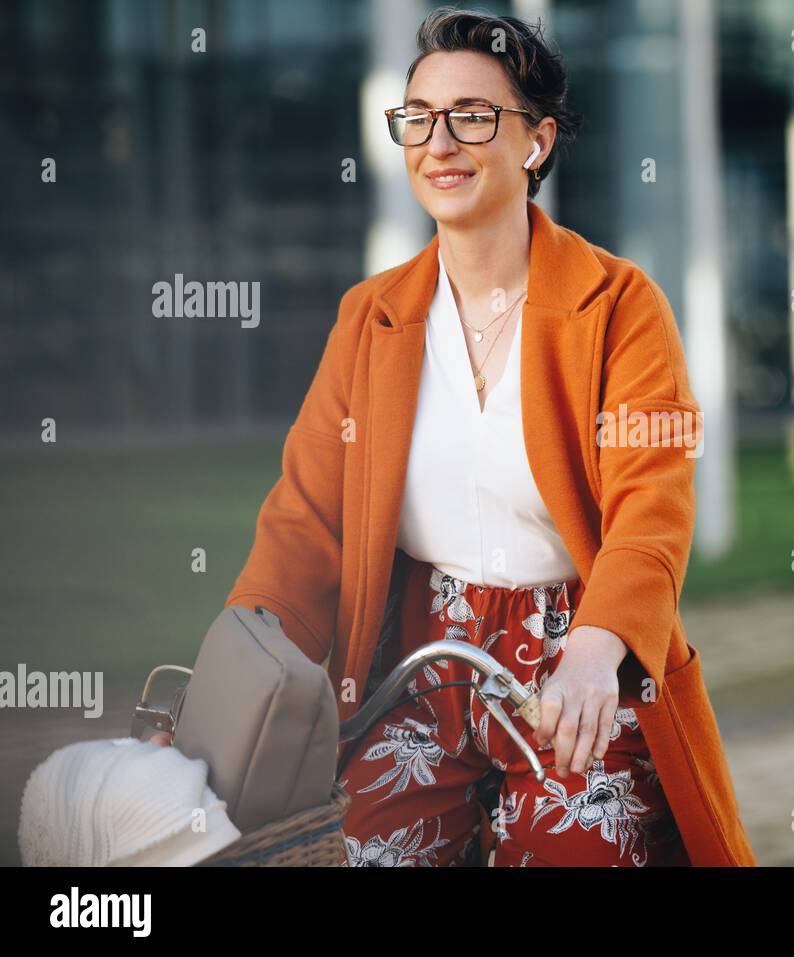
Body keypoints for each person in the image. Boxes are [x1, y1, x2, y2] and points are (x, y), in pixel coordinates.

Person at [223, 6, 756, 867]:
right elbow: (305, 521)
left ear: (536, 142)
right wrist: (237, 668)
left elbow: (651, 508)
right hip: (412, 662)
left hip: (575, 663)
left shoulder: (621, 307)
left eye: (473, 116)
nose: (440, 143)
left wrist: (597, 646)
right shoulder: (370, 318)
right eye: (419, 119)